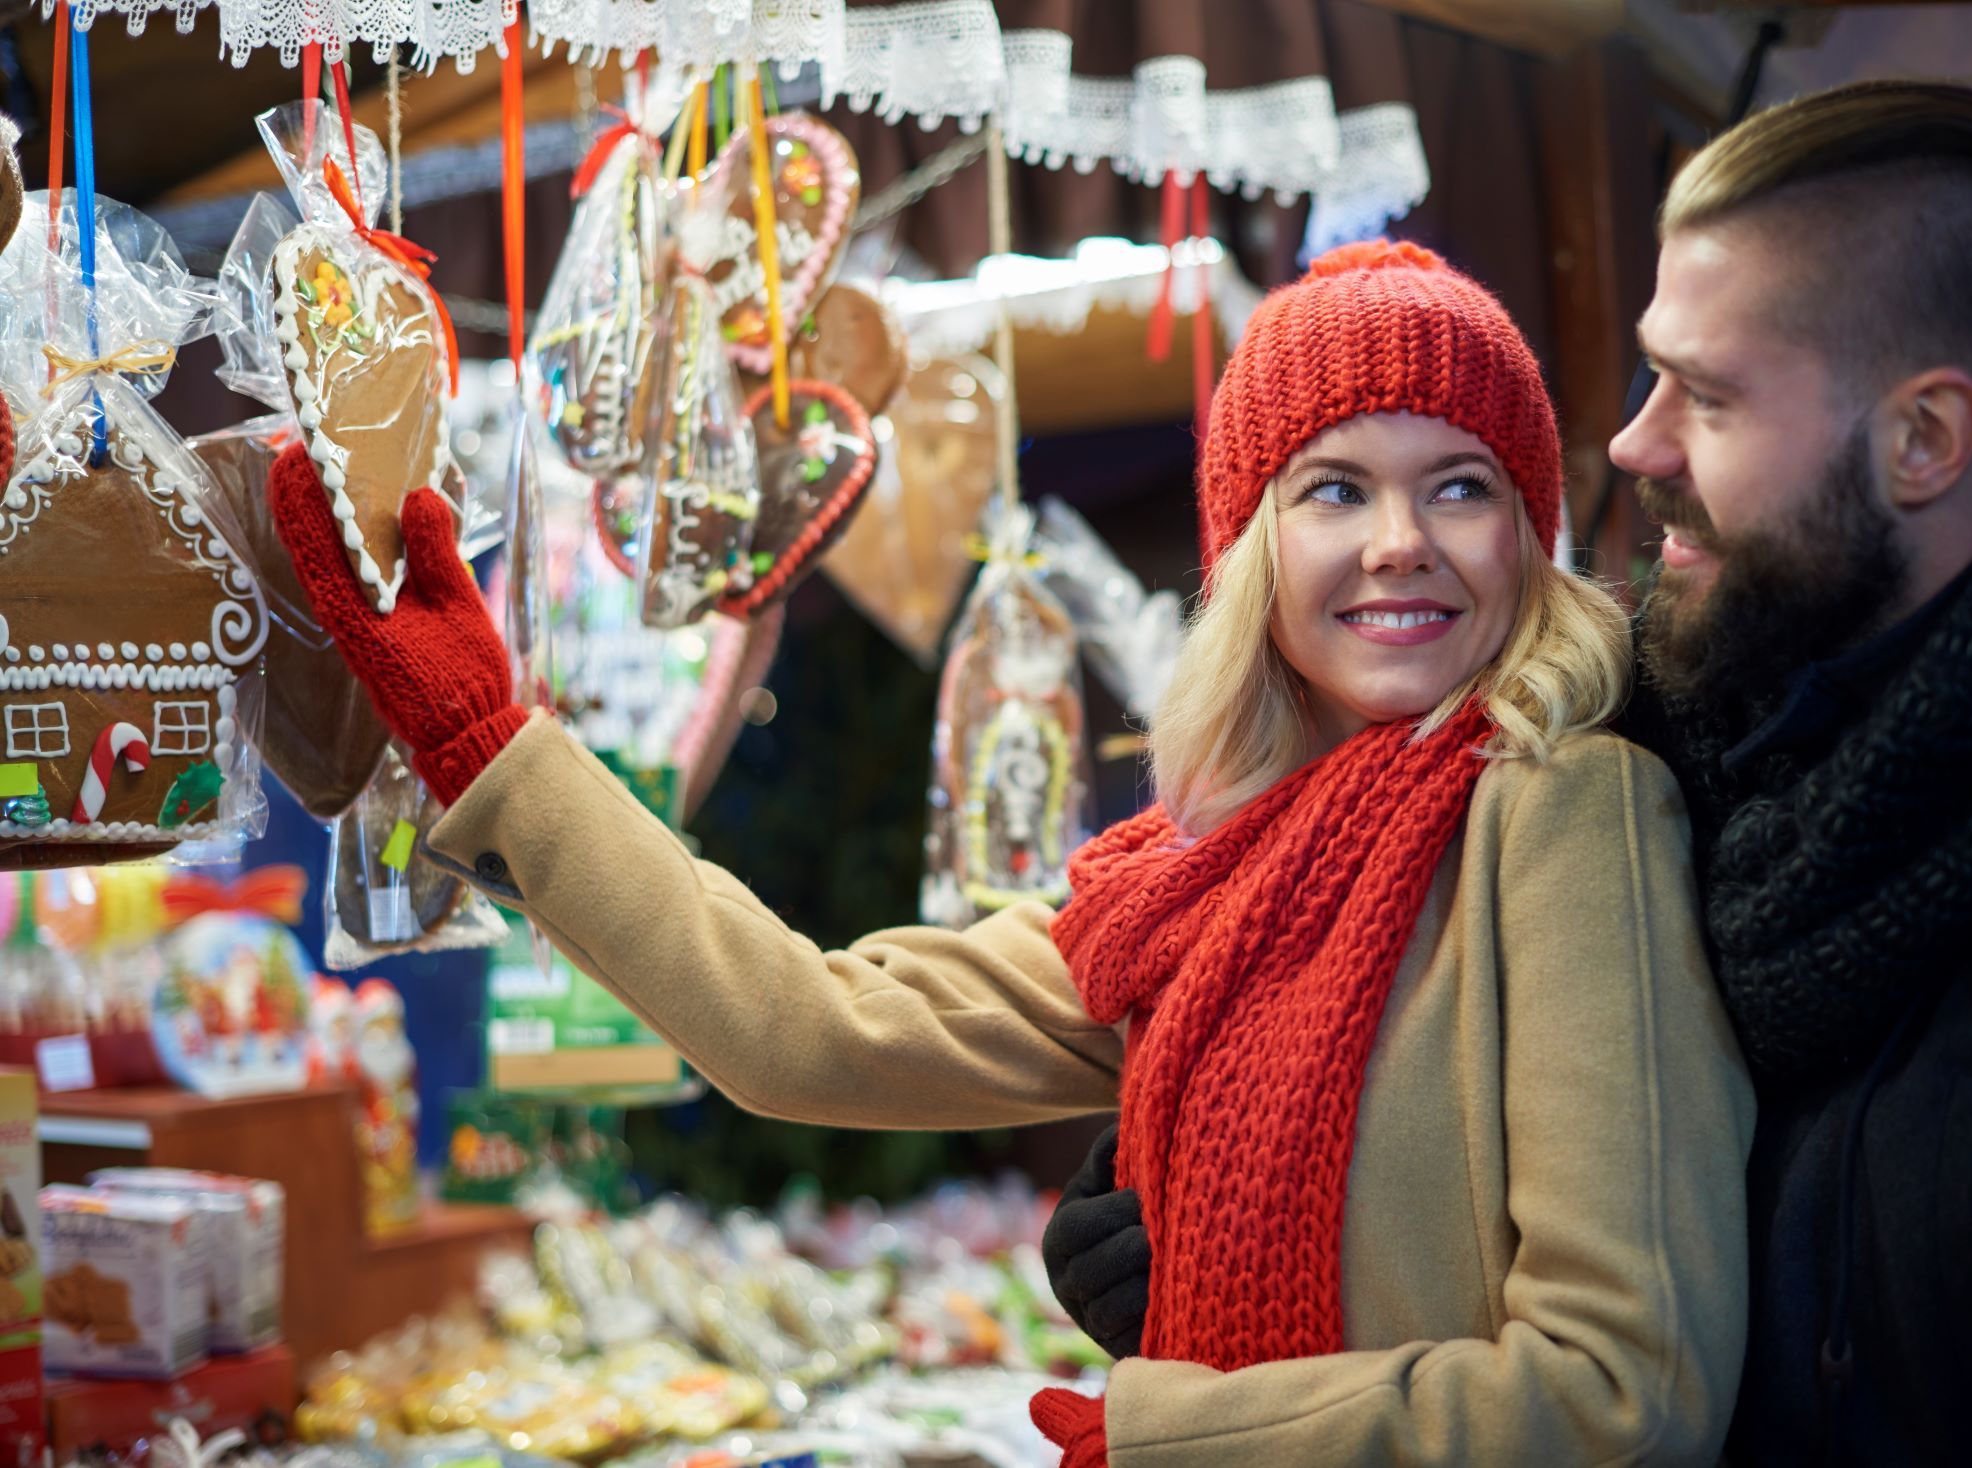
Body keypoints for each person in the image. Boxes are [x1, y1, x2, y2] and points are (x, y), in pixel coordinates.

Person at [273, 241, 1755, 1465]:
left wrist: (1186, 1433)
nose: (1397, 542)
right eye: (1334, 488)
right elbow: (809, 1031)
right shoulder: (1202, 877)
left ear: (1527, 532)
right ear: (1250, 557)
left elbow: (1625, 1394)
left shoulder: (1570, 813)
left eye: (1459, 484)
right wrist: (494, 749)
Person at [1045, 80, 1972, 1464]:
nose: (1633, 444)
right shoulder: (1681, 722)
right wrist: (1244, 1197)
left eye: (1704, 396)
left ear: (1924, 441)